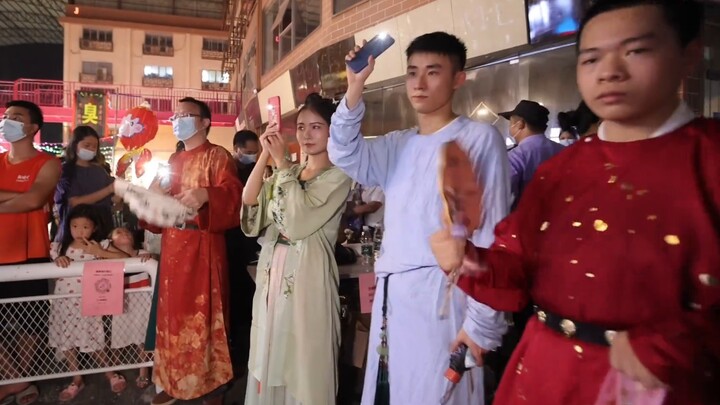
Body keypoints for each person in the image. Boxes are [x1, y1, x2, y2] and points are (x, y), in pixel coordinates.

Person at [430, 1, 719, 404]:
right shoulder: (559, 171)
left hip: (658, 386)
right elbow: (517, 270)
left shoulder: (708, 161)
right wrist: (469, 259)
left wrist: (678, 343)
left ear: (688, 54)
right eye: (591, 58)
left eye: (636, 51)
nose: (609, 71)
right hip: (543, 374)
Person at [329, 32, 509, 404]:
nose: (419, 84)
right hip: (393, 297)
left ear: (458, 78)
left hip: (444, 296)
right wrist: (355, 85)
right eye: (412, 73)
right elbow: (342, 151)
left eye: (433, 72)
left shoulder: (477, 139)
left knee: (439, 393)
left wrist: (480, 325)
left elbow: (489, 235)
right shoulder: (398, 144)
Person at [241, 93, 352, 405]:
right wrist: (265, 155)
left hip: (308, 276)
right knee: (270, 347)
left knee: (304, 358)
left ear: (333, 131)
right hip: (273, 272)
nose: (306, 134)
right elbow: (251, 206)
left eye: (316, 127)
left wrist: (280, 165)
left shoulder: (338, 176)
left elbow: (298, 222)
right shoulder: (288, 172)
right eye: (301, 127)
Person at [145, 97, 243, 405]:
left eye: (186, 115)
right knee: (172, 318)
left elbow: (234, 198)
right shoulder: (172, 162)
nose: (178, 120)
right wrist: (153, 196)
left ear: (204, 122)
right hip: (173, 247)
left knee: (204, 317)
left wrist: (206, 195)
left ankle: (211, 385)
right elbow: (153, 211)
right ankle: (172, 381)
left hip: (203, 247)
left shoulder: (218, 157)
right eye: (176, 115)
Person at [0, 100, 61, 405]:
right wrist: (22, 199)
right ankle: (15, 377)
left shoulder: (47, 163)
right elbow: (27, 200)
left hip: (31, 251)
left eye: (16, 117)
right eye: (6, 116)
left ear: (33, 128)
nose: (7, 121)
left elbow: (35, 200)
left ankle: (20, 380)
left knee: (30, 321)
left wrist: (27, 200)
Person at [49, 204, 130, 402]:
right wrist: (59, 260)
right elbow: (53, 264)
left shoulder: (100, 244)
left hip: (90, 302)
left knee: (94, 338)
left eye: (85, 227)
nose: (79, 231)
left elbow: (125, 258)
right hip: (64, 304)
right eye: (75, 226)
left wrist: (98, 251)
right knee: (67, 341)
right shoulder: (59, 248)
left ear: (94, 228)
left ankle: (109, 373)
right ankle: (76, 378)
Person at [54, 125, 115, 242]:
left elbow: (111, 202)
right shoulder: (65, 171)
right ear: (75, 145)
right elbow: (75, 202)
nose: (91, 149)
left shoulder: (100, 171)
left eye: (94, 147)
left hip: (101, 230)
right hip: (75, 234)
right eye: (87, 145)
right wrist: (109, 190)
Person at [502, 100, 564, 209]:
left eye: (511, 123)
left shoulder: (516, 156)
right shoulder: (564, 151)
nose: (510, 128)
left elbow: (505, 195)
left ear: (520, 124)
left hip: (526, 220)